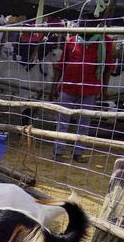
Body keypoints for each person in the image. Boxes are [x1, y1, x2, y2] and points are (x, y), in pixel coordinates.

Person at [50, 22, 117, 163]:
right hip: (68, 86)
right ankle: (58, 152)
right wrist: (54, 86)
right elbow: (61, 64)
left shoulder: (105, 42)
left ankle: (78, 152)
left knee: (84, 122)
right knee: (63, 119)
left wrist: (104, 89)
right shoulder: (72, 41)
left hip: (90, 87)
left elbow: (108, 67)